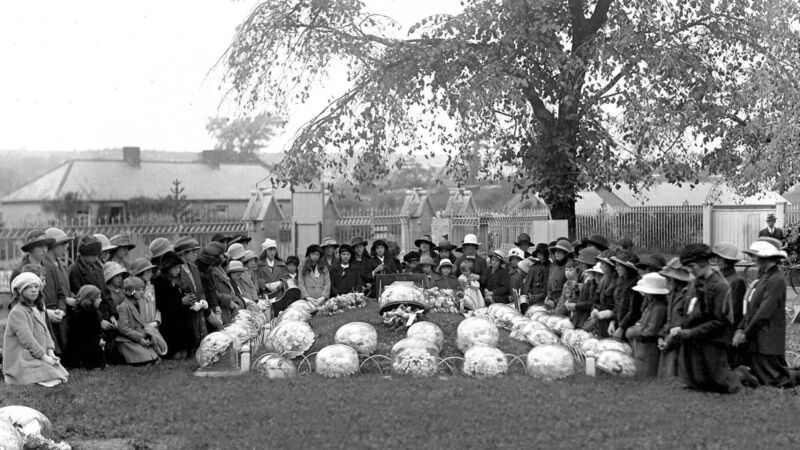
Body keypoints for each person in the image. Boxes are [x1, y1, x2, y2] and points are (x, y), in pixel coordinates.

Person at [674, 244, 754, 393]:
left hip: (713, 338)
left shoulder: (720, 286)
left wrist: (691, 332)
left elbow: (719, 322)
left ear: (704, 263)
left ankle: (740, 374)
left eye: (692, 266)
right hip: (695, 336)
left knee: (720, 383)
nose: (690, 271)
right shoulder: (695, 283)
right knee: (696, 381)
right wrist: (678, 325)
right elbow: (683, 309)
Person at [733, 238, 799, 388]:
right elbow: (751, 308)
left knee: (776, 381)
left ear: (766, 257)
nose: (753, 259)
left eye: (755, 255)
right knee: (761, 378)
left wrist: (745, 334)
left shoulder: (776, 280)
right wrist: (740, 328)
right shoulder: (763, 277)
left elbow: (764, 313)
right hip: (758, 340)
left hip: (768, 341)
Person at [3, 273, 69, 387]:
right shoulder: (17, 312)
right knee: (53, 375)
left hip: (37, 353)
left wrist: (50, 352)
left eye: (36, 286)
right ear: (20, 291)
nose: (33, 290)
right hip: (22, 356)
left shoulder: (37, 309)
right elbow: (27, 340)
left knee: (59, 374)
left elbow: (46, 332)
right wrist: (44, 357)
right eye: (29, 287)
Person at [155, 251, 201, 359]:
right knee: (176, 353)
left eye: (179, 267)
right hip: (170, 324)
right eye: (174, 268)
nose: (177, 270)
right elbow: (163, 305)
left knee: (184, 352)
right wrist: (182, 301)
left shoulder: (177, 281)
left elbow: (182, 294)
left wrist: (190, 300)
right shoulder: (160, 282)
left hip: (182, 321)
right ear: (167, 268)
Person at [626, 273, 669, 377]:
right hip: (642, 346)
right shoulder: (651, 305)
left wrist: (634, 331)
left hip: (649, 348)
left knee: (646, 374)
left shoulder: (659, 308)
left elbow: (651, 330)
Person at [712, 242, 747, 367]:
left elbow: (735, 311)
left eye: (720, 258)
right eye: (716, 257)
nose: (717, 261)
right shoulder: (719, 278)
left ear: (727, 261)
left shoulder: (736, 281)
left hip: (728, 329)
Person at [657, 258, 692, 378]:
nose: (666, 283)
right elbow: (668, 318)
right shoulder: (671, 295)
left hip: (678, 340)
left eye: (668, 279)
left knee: (674, 375)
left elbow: (682, 322)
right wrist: (661, 336)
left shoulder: (687, 295)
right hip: (667, 338)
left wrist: (669, 340)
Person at [43, 227, 75, 356]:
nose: (66, 248)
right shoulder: (44, 265)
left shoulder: (60, 264)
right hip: (53, 311)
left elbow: (64, 288)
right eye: (63, 244)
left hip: (62, 310)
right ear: (53, 245)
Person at [116, 277, 162, 365]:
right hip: (127, 341)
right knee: (147, 359)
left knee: (154, 358)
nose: (142, 292)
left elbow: (142, 324)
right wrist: (140, 339)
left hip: (138, 339)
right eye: (138, 290)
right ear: (129, 292)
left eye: (142, 289)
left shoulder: (140, 304)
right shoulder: (123, 307)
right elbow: (123, 329)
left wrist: (149, 335)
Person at [197, 243, 238, 327]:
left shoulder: (210, 270)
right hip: (207, 314)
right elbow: (210, 294)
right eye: (221, 254)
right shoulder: (200, 273)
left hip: (216, 310)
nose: (223, 257)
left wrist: (217, 311)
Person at [65, 285, 106, 370]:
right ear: (90, 299)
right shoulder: (86, 315)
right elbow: (86, 336)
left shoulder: (89, 312)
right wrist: (98, 341)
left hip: (88, 346)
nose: (101, 300)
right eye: (98, 298)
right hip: (82, 351)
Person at [610, 249, 642, 339]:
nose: (616, 268)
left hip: (629, 329)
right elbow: (617, 305)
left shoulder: (636, 285)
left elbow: (633, 311)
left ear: (627, 268)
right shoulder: (620, 281)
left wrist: (621, 328)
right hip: (619, 325)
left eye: (619, 266)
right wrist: (613, 321)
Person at [585, 250, 617, 337]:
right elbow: (597, 299)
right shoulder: (604, 280)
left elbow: (621, 306)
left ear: (610, 266)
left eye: (603, 264)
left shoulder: (618, 282)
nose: (601, 266)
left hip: (612, 324)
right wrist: (595, 309)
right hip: (601, 321)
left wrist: (612, 315)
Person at [567, 247, 600, 326]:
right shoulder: (586, 277)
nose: (580, 265)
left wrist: (576, 306)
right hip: (580, 317)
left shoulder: (594, 280)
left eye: (583, 263)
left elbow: (591, 302)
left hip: (585, 318)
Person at [130, 258, 161, 330]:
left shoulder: (152, 288)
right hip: (140, 330)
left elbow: (158, 306)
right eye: (148, 271)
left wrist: (156, 321)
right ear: (140, 273)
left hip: (154, 328)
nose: (151, 273)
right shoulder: (132, 291)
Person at [546, 239, 573, 309]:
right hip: (551, 302)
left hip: (563, 304)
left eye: (559, 251)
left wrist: (555, 302)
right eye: (556, 251)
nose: (556, 253)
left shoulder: (569, 268)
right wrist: (548, 298)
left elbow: (568, 289)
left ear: (566, 253)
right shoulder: (553, 266)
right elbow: (549, 285)